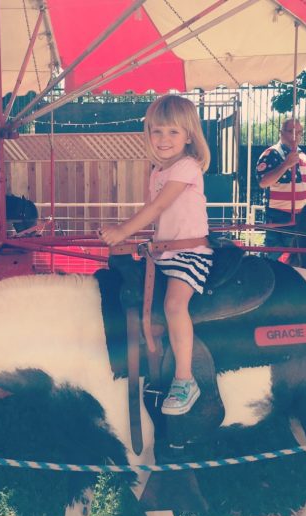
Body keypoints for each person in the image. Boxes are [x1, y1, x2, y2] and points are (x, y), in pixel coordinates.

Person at [100, 94, 213, 416]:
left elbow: (159, 206)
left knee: (174, 305)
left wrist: (123, 231)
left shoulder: (187, 166)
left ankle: (185, 378)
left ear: (189, 135)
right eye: (157, 132)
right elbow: (162, 218)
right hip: (164, 253)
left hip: (190, 252)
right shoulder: (157, 171)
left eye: (173, 132)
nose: (164, 139)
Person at [256, 118, 306, 259]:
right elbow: (263, 182)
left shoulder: (303, 156)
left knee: (302, 255)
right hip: (280, 215)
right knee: (273, 252)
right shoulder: (271, 154)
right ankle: (257, 274)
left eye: (300, 132)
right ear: (281, 133)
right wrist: (285, 165)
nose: (296, 136)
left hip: (303, 216)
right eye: (292, 132)